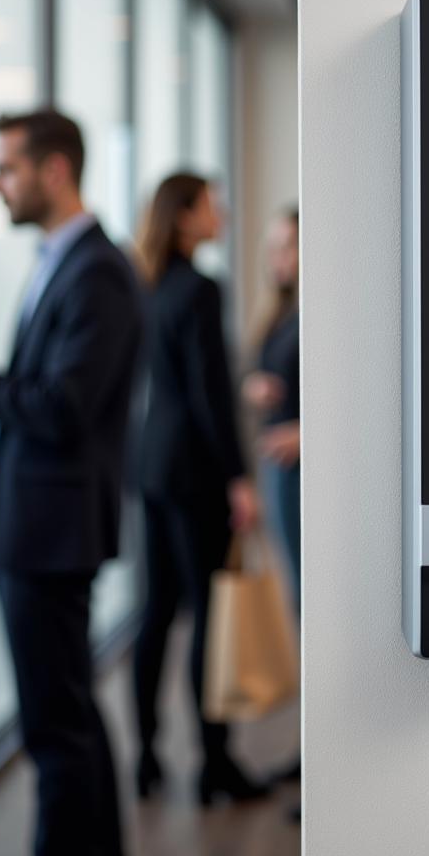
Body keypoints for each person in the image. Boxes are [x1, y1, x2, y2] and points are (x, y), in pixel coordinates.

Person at [0, 110, 141, 856]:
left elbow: (62, 409)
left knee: (54, 733)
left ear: (55, 170)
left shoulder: (98, 271)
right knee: (69, 719)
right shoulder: (63, 260)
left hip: (50, 534)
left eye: (8, 167)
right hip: (35, 526)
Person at [132, 172, 266, 804]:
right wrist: (240, 478)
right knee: (210, 616)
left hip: (154, 466)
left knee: (157, 613)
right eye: (214, 206)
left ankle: (146, 757)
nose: (224, 214)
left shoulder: (150, 283)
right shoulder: (202, 289)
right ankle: (215, 763)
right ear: (185, 217)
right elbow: (212, 397)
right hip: (196, 473)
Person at [244, 207, 301, 612]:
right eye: (273, 247)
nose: (277, 257)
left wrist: (305, 433)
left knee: (305, 584)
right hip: (275, 463)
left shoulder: (319, 315)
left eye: (287, 246)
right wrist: (253, 387)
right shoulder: (281, 313)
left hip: (302, 466)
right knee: (291, 582)